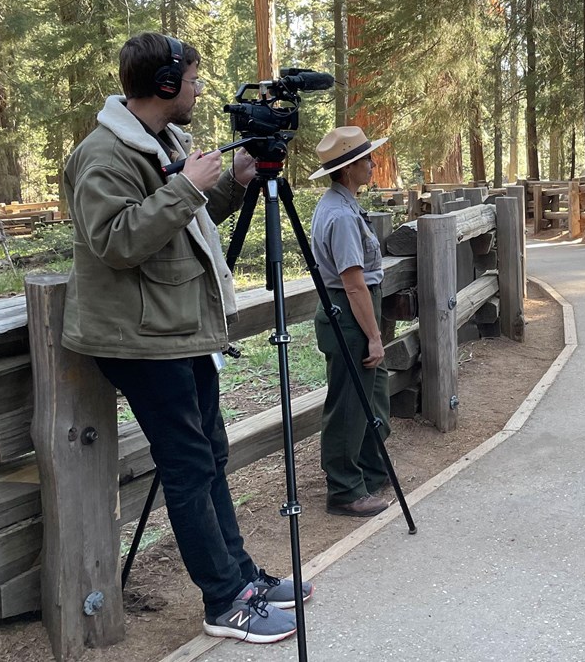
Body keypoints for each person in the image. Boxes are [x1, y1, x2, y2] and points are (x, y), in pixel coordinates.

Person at [62, 32, 309, 643]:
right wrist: (189, 187)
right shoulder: (105, 153)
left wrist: (231, 184)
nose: (201, 90)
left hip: (178, 328)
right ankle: (225, 601)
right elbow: (116, 242)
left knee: (210, 455)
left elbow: (182, 229)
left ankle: (241, 577)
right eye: (194, 80)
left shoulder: (164, 140)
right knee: (189, 464)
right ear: (165, 84)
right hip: (138, 338)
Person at [308, 126, 394, 517]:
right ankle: (344, 489)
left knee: (371, 393)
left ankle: (370, 473)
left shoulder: (344, 204)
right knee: (349, 403)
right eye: (365, 158)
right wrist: (374, 336)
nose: (373, 164)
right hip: (350, 312)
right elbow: (354, 283)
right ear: (348, 168)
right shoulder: (341, 215)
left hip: (354, 311)